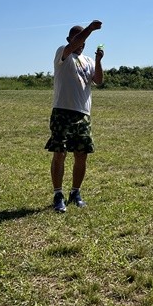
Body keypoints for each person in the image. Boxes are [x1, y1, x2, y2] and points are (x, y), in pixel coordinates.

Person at [45, 19, 104, 212]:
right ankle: (58, 194)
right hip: (62, 110)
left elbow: (98, 81)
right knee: (60, 153)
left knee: (81, 155)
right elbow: (75, 43)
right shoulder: (63, 53)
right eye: (78, 41)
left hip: (83, 114)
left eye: (83, 43)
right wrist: (90, 29)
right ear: (70, 39)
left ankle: (75, 192)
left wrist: (97, 61)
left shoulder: (87, 61)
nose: (81, 45)